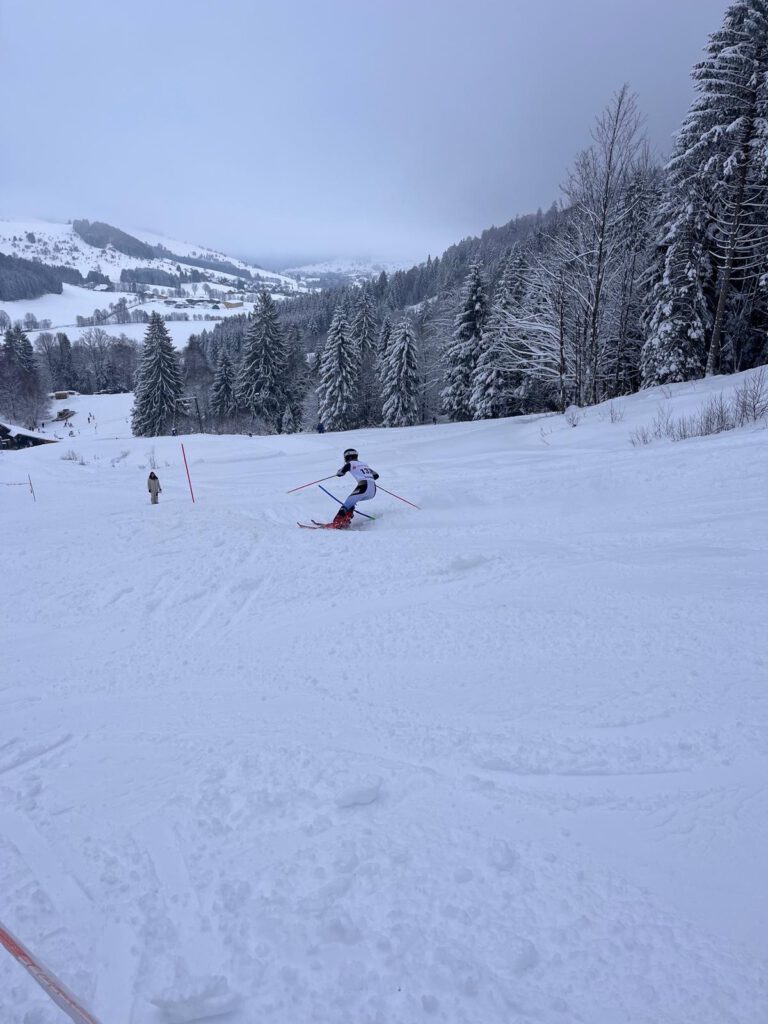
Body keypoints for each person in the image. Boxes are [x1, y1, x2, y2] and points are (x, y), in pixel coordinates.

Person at [331, 448, 378, 527]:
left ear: (347, 457)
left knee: (347, 504)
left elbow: (341, 472)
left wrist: (339, 473)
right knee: (351, 502)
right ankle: (346, 519)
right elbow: (376, 475)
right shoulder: (364, 464)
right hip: (373, 490)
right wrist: (368, 477)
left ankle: (337, 522)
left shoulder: (350, 463)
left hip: (363, 486)